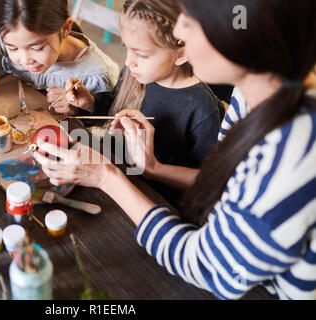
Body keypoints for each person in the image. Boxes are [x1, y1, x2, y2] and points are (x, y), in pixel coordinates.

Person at [34, 0, 316, 299]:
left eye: (191, 21)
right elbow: (225, 183)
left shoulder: (293, 158)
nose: (179, 29)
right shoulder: (253, 93)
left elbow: (205, 266)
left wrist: (107, 177)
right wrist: (153, 167)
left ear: (240, 32)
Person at [49, 0, 224, 207]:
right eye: (127, 48)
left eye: (141, 54)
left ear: (182, 54)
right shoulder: (137, 74)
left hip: (153, 198)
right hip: (116, 170)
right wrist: (91, 103)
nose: (127, 61)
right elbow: (115, 110)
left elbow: (209, 182)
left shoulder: (202, 109)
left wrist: (155, 168)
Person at [0, 0, 119, 126]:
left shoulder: (99, 75)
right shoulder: (15, 33)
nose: (25, 60)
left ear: (66, 29)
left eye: (37, 48)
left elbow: (107, 126)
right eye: (12, 48)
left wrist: (80, 109)